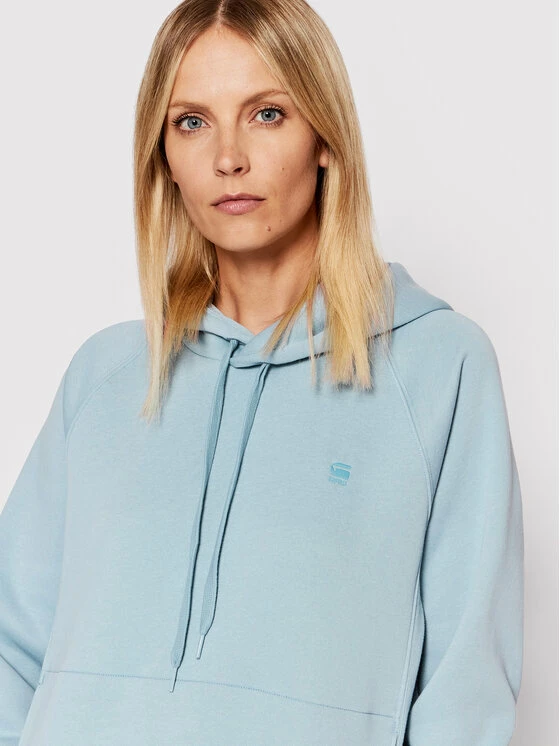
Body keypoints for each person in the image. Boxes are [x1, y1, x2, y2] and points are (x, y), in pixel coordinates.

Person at [0, 0, 524, 744]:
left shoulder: (439, 368)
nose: (228, 158)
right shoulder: (105, 377)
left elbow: (464, 693)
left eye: (267, 114)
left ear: (325, 138)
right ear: (163, 155)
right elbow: (12, 648)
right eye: (192, 122)